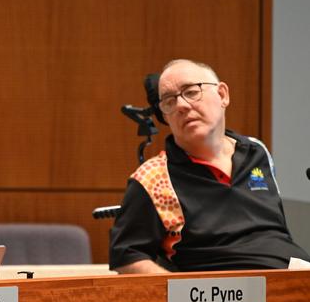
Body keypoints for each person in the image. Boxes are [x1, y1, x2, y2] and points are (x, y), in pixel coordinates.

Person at [109, 59, 310, 274]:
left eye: (192, 92)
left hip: (293, 282)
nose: (181, 106)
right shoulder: (153, 177)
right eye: (169, 101)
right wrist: (181, 296)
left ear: (222, 95)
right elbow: (127, 256)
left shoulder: (256, 151)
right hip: (219, 296)